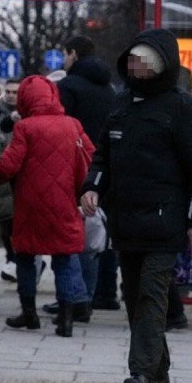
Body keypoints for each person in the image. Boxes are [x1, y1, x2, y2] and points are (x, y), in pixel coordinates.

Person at [81, 29, 192, 383]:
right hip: (125, 222)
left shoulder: (184, 109)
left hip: (164, 221)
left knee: (152, 297)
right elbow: (102, 155)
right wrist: (91, 186)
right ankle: (159, 376)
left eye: (144, 61)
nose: (135, 66)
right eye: (132, 60)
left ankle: (140, 373)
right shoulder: (122, 104)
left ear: (161, 65)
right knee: (133, 295)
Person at [0, 75, 93, 337]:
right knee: (65, 258)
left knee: (25, 257)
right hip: (64, 204)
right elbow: (90, 157)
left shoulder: (25, 127)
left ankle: (29, 314)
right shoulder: (73, 125)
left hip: (30, 205)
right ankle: (67, 319)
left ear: (26, 99)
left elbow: (9, 166)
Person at [53, 35, 118, 315]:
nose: (63, 60)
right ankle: (105, 292)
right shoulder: (110, 88)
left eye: (65, 54)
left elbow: (63, 129)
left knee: (77, 231)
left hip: (77, 165)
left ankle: (77, 294)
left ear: (74, 54)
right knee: (103, 229)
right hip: (107, 164)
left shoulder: (68, 86)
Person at [0, 80, 21, 283]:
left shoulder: (28, 113)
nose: (12, 95)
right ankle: (11, 259)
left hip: (22, 174)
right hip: (4, 174)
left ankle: (17, 260)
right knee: (6, 221)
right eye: (9, 92)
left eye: (16, 92)